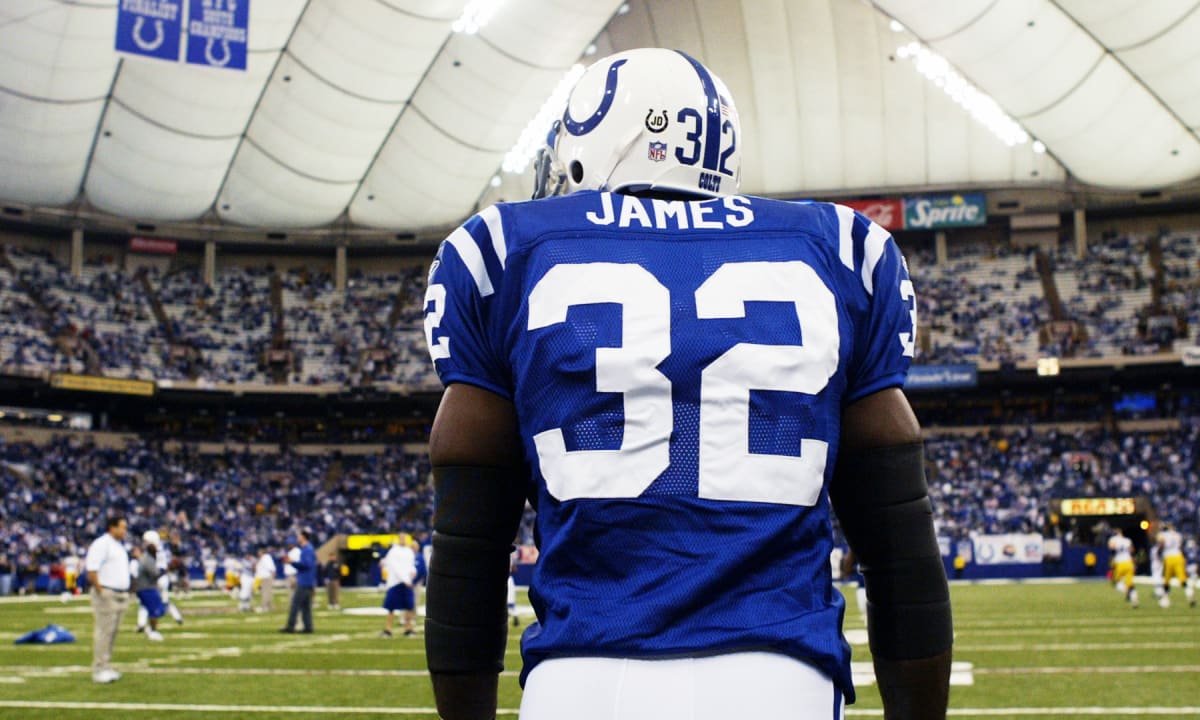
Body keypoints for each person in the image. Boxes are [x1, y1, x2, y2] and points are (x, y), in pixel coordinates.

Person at [422, 47, 951, 720]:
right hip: (780, 675)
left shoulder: (501, 251)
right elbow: (899, 551)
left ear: (604, 138)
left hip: (580, 679)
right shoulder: (842, 249)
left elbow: (471, 545)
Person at [84, 516, 131, 683]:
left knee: (112, 632)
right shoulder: (102, 544)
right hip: (107, 592)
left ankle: (105, 665)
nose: (124, 531)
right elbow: (92, 568)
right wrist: (100, 590)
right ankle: (99, 669)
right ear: (112, 527)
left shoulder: (118, 546)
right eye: (122, 527)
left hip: (120, 593)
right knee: (104, 631)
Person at [132, 530, 170, 640]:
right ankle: (147, 627)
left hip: (155, 581)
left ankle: (143, 624)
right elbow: (155, 571)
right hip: (150, 583)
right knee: (154, 608)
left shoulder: (152, 553)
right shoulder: (149, 556)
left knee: (152, 606)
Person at [380, 534, 419, 638]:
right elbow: (394, 567)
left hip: (407, 583)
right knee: (391, 608)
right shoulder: (393, 551)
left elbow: (411, 565)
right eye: (401, 538)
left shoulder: (409, 551)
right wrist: (405, 579)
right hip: (395, 583)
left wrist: (413, 572)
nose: (403, 540)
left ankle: (408, 629)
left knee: (409, 607)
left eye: (404, 538)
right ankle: (388, 630)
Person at [280, 530, 316, 633]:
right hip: (307, 580)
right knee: (306, 606)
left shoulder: (307, 549)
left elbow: (307, 565)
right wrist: (293, 563)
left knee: (295, 604)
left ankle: (290, 626)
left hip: (304, 581)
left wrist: (292, 562)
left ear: (304, 537)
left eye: (299, 536)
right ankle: (308, 627)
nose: (298, 538)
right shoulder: (307, 549)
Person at [1155, 523, 1194, 608]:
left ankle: (1165, 600)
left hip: (1169, 558)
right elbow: (1181, 547)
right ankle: (1190, 594)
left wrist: (1158, 553)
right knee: (1182, 579)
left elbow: (1162, 544)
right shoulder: (1178, 535)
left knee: (1166, 580)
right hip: (1179, 557)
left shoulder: (1163, 535)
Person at [1107, 527, 1138, 607]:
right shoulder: (1127, 540)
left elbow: (1112, 548)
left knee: (1115, 582)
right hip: (1128, 562)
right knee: (1130, 583)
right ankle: (1134, 597)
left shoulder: (1113, 539)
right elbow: (1132, 551)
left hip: (1119, 563)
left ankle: (1126, 591)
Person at [255, 546, 277, 613]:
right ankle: (269, 606)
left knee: (265, 592)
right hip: (264, 577)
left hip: (266, 577)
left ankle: (264, 606)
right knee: (267, 592)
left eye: (259, 552)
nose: (258, 554)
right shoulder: (263, 558)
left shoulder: (266, 557)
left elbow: (271, 567)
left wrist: (272, 576)